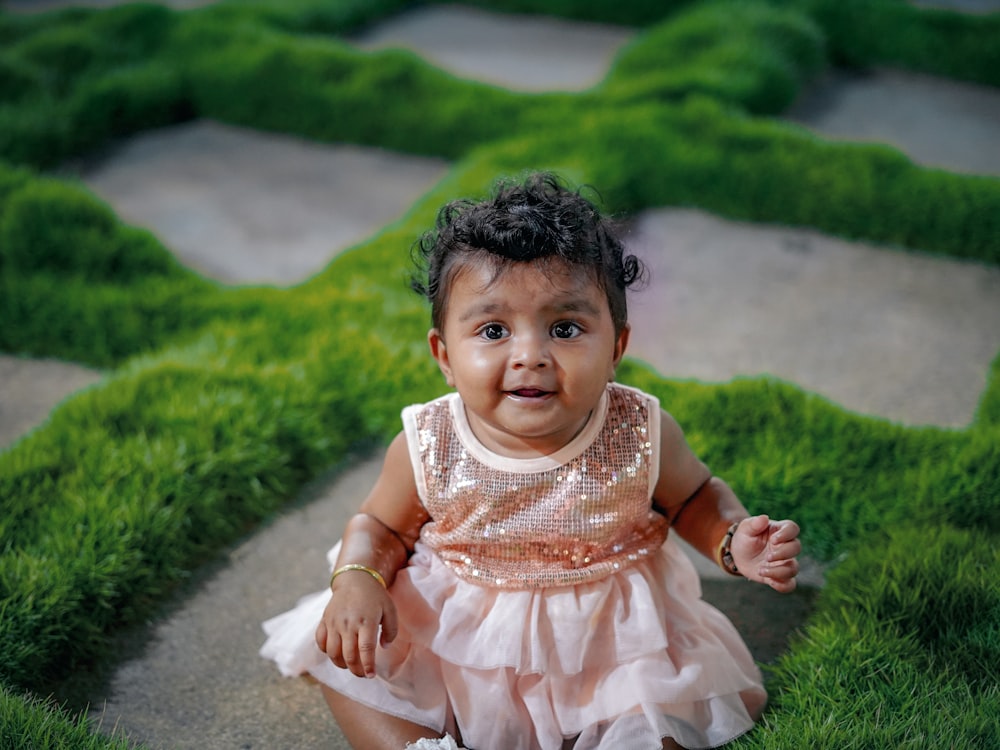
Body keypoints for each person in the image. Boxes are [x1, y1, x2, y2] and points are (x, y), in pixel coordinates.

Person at [260, 172, 801, 749]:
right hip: (455, 625)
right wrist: (358, 579)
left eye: (565, 329)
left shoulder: (639, 429)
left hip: (605, 635)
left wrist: (732, 537)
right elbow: (381, 525)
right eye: (493, 330)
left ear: (616, 347)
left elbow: (692, 497)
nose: (530, 356)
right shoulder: (430, 440)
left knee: (657, 723)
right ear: (444, 354)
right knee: (349, 668)